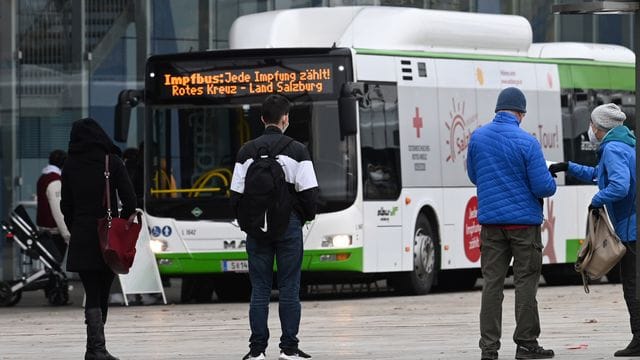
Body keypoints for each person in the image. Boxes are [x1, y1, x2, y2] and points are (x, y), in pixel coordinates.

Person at [466, 87, 557, 360]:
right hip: (523, 226)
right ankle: (527, 344)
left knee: (491, 284)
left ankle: (489, 349)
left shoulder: (477, 138)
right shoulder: (527, 142)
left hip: (491, 225)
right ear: (520, 112)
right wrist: (551, 180)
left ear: (498, 110)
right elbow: (543, 187)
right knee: (525, 282)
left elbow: (474, 175)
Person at [230, 94, 318, 360]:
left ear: (262, 119)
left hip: (256, 227)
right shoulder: (297, 150)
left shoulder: (246, 151)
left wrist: (247, 223)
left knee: (260, 288)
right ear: (285, 119)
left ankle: (257, 351)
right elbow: (310, 193)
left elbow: (235, 194)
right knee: (290, 287)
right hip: (288, 225)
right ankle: (289, 348)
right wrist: (303, 217)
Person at [549, 103, 638, 357]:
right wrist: (568, 167)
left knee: (632, 286)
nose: (589, 128)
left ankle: (639, 338)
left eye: (591, 123)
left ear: (600, 127)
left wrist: (596, 200)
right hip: (632, 225)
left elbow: (618, 186)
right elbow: (600, 175)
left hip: (631, 230)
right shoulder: (626, 144)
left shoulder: (611, 148)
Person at [61, 118, 136, 360]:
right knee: (102, 292)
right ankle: (96, 349)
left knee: (92, 291)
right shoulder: (111, 161)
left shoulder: (69, 165)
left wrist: (77, 225)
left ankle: (94, 349)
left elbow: (66, 205)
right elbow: (131, 201)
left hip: (82, 234)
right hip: (108, 236)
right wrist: (119, 224)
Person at [36, 149, 70, 262]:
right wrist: (66, 235)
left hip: (43, 230)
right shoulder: (55, 181)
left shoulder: (43, 177)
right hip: (54, 233)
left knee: (49, 266)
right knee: (55, 265)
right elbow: (58, 211)